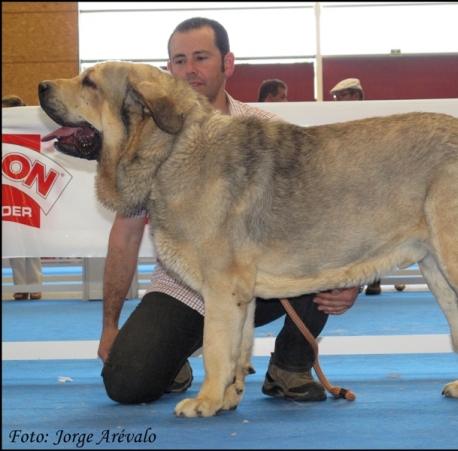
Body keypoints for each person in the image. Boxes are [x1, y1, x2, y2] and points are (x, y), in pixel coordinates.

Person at [99, 17, 360, 406]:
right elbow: (126, 234)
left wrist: (352, 276)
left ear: (228, 63)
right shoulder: (149, 140)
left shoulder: (267, 128)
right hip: (185, 289)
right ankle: (176, 356)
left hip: (262, 282)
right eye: (179, 60)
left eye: (201, 57)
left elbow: (325, 207)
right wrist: (110, 325)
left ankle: (290, 365)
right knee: (126, 384)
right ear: (168, 69)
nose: (190, 69)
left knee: (317, 261)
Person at [329, 80, 405, 295]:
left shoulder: (373, 118)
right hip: (346, 183)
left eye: (341, 96)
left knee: (376, 232)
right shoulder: (335, 119)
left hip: (370, 184)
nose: (337, 100)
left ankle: (375, 278)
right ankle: (348, 281)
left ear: (354, 95)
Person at [3, 95, 43, 301]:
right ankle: (20, 285)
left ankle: (35, 284)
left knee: (31, 241)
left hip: (31, 190)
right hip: (9, 190)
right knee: (13, 241)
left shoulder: (31, 129)